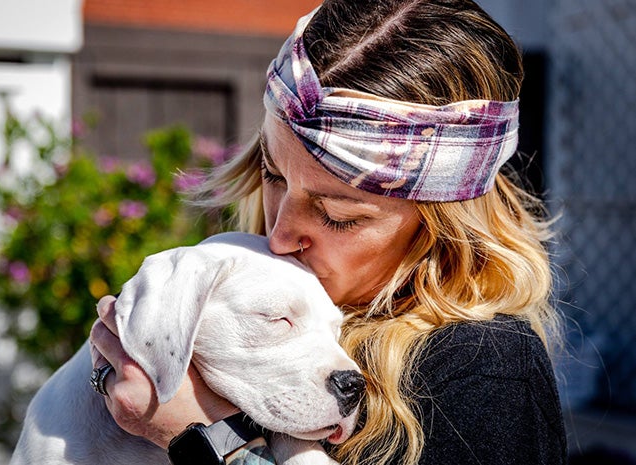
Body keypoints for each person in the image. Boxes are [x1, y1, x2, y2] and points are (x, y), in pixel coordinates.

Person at [89, 0, 567, 464]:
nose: (279, 235)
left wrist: (212, 441)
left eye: (339, 214)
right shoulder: (237, 293)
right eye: (273, 175)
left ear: (439, 220)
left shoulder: (486, 372)